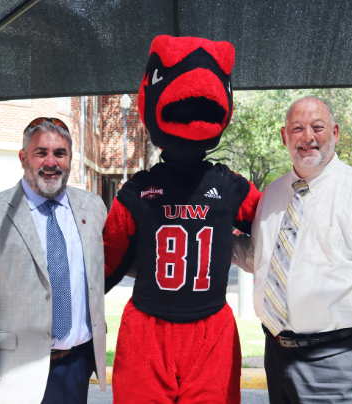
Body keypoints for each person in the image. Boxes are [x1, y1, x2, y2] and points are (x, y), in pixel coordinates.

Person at [232, 97, 352, 404]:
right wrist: (210, 236)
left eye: (317, 127)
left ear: (334, 133)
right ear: (284, 136)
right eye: (297, 128)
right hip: (278, 358)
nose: (307, 136)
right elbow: (260, 258)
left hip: (340, 362)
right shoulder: (273, 195)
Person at [103, 35, 260, 404]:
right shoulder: (136, 191)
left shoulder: (230, 185)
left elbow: (276, 228)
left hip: (211, 331)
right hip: (147, 329)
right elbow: (103, 264)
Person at [0, 117, 107, 404]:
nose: (50, 162)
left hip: (78, 364)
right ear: (23, 157)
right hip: (16, 371)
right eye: (41, 152)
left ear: (70, 159)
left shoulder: (93, 206)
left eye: (59, 153)